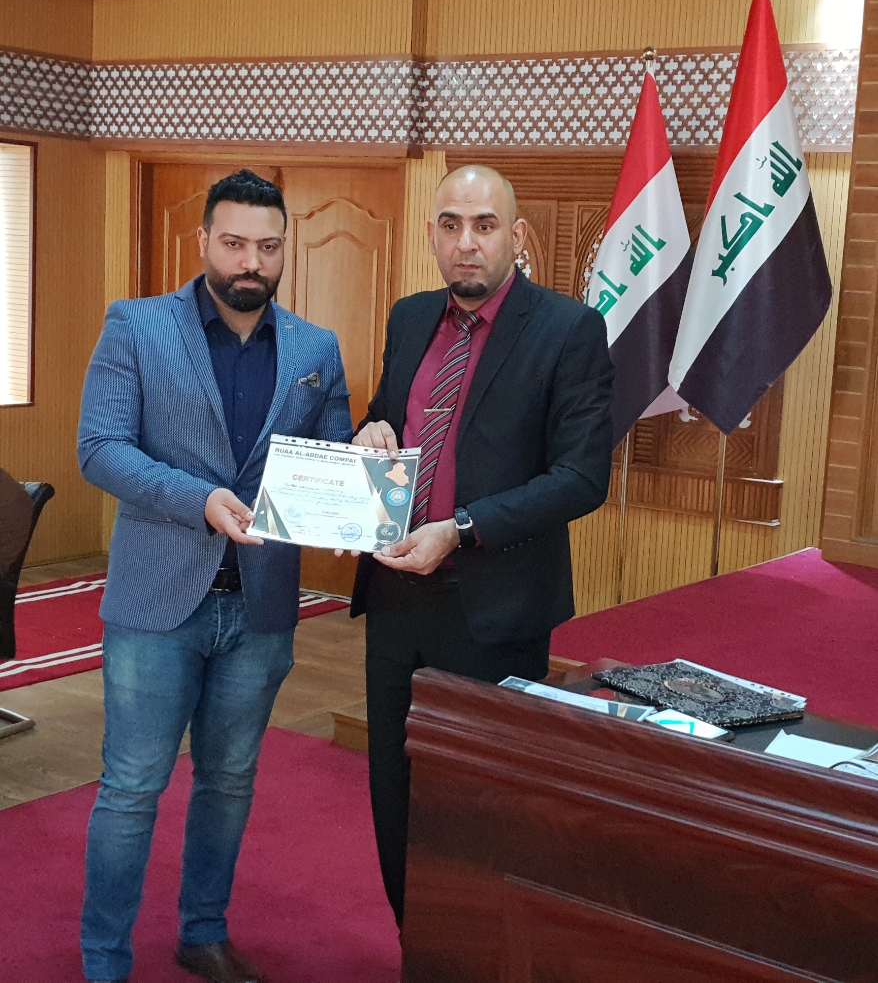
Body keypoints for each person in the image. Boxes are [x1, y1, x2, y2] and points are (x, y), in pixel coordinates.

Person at [77, 170, 352, 983]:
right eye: (233, 243)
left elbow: (331, 462)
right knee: (132, 788)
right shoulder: (135, 326)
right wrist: (197, 499)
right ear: (202, 242)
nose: (250, 262)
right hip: (155, 605)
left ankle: (203, 933)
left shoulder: (315, 348)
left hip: (260, 610)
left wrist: (364, 459)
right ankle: (103, 959)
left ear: (284, 249)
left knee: (229, 781)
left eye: (267, 247)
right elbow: (100, 448)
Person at [349, 164, 614, 926]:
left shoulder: (568, 330)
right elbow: (386, 423)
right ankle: (416, 947)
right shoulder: (409, 318)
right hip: (395, 604)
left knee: (478, 809)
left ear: (516, 235)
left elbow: (581, 477)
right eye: (451, 225)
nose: (466, 242)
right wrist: (368, 433)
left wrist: (460, 529)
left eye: (485, 225)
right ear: (432, 234)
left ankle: (472, 954)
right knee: (394, 797)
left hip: (494, 612)